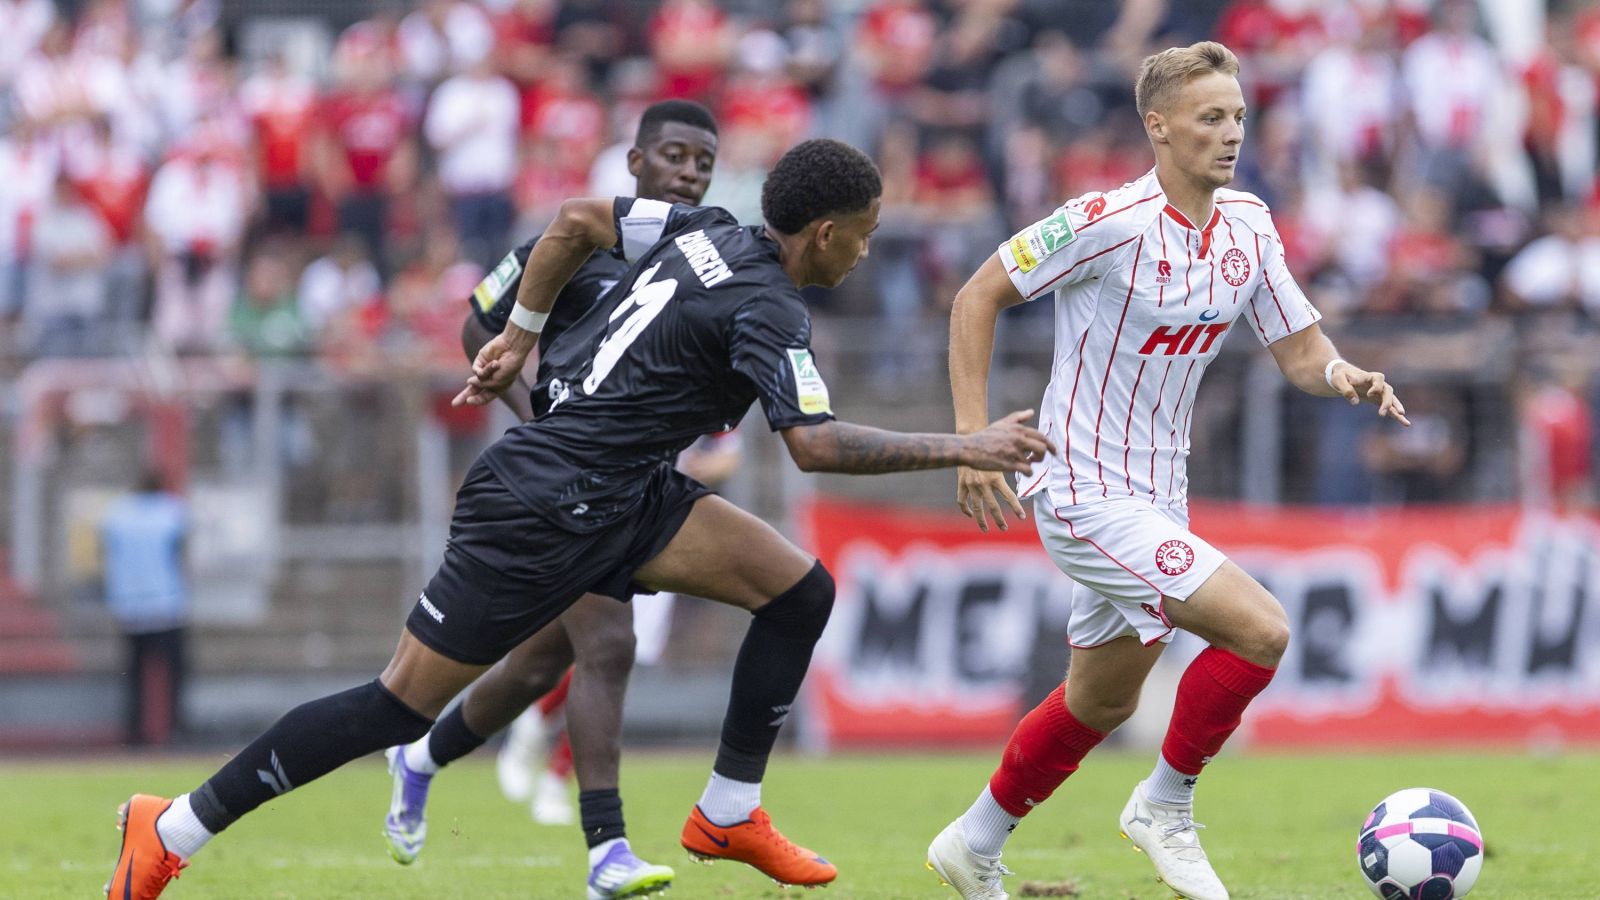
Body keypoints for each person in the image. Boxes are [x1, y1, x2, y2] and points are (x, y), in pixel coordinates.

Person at [106, 136, 1053, 900]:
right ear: (825, 232)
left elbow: (571, 222)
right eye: (866, 234)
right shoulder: (772, 310)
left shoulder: (705, 228)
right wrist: (965, 446)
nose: (867, 250)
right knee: (396, 703)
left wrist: (518, 335)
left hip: (625, 492)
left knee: (799, 591)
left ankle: (726, 811)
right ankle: (173, 826)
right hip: (545, 500)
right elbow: (814, 443)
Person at [925, 42, 1409, 900]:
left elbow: (1298, 347)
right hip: (1082, 493)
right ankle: (1164, 806)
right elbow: (977, 295)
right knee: (1259, 630)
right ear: (1159, 128)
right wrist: (970, 440)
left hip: (1159, 497)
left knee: (1100, 702)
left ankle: (972, 842)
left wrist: (1343, 374)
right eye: (1210, 119)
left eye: (1238, 119)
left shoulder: (1251, 227)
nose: (1230, 136)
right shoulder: (1106, 221)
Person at [381, 99, 721, 899]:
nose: (689, 172)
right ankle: (608, 849)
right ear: (633, 163)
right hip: (561, 482)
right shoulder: (574, 241)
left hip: (635, 484)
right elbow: (479, 322)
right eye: (673, 155)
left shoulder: (702, 257)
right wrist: (540, 417)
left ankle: (421, 756)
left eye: (703, 162)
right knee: (608, 644)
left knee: (542, 662)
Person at [100, 469, 190, 747]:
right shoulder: (172, 511)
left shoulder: (118, 513)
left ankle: (134, 733)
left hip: (130, 604)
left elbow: (107, 552)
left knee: (134, 674)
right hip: (166, 602)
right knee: (175, 672)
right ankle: (175, 730)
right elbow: (180, 552)